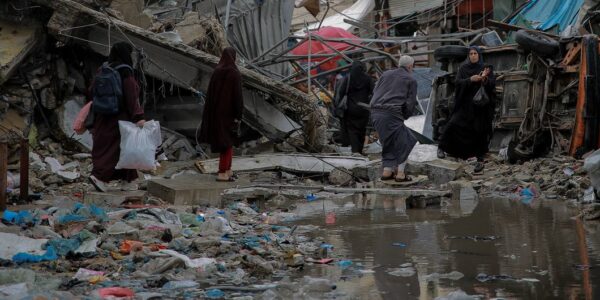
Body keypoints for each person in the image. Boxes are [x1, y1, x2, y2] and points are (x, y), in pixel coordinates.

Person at [89, 42, 145, 192]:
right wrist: (138, 116)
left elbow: (92, 90)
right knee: (117, 150)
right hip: (120, 118)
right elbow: (131, 96)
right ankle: (99, 177)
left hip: (102, 116)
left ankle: (129, 180)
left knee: (112, 148)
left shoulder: (104, 69)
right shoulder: (125, 72)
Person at [438, 46, 495, 173]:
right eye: (471, 54)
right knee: (453, 124)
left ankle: (479, 160)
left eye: (475, 53)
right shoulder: (463, 68)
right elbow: (458, 83)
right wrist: (470, 79)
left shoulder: (486, 67)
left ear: (479, 55)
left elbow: (492, 84)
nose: (473, 56)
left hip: (480, 107)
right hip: (465, 105)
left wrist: (484, 78)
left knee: (479, 132)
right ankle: (441, 147)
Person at [370, 55, 418, 182]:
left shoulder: (385, 74)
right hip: (391, 113)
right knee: (407, 140)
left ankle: (387, 171)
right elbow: (410, 102)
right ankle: (401, 174)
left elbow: (375, 91)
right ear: (410, 66)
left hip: (375, 113)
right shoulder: (410, 79)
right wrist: (405, 115)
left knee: (388, 141)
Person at [199, 47, 243, 182]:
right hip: (228, 114)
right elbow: (237, 96)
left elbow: (210, 94)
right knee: (227, 143)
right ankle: (222, 172)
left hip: (216, 114)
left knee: (226, 142)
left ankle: (228, 170)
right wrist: (239, 114)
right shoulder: (234, 73)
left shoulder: (217, 71)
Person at [335, 61, 374, 154]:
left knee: (352, 130)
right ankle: (360, 150)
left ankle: (355, 150)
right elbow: (373, 91)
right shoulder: (368, 78)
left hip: (350, 108)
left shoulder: (348, 78)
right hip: (364, 108)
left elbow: (341, 93)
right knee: (362, 129)